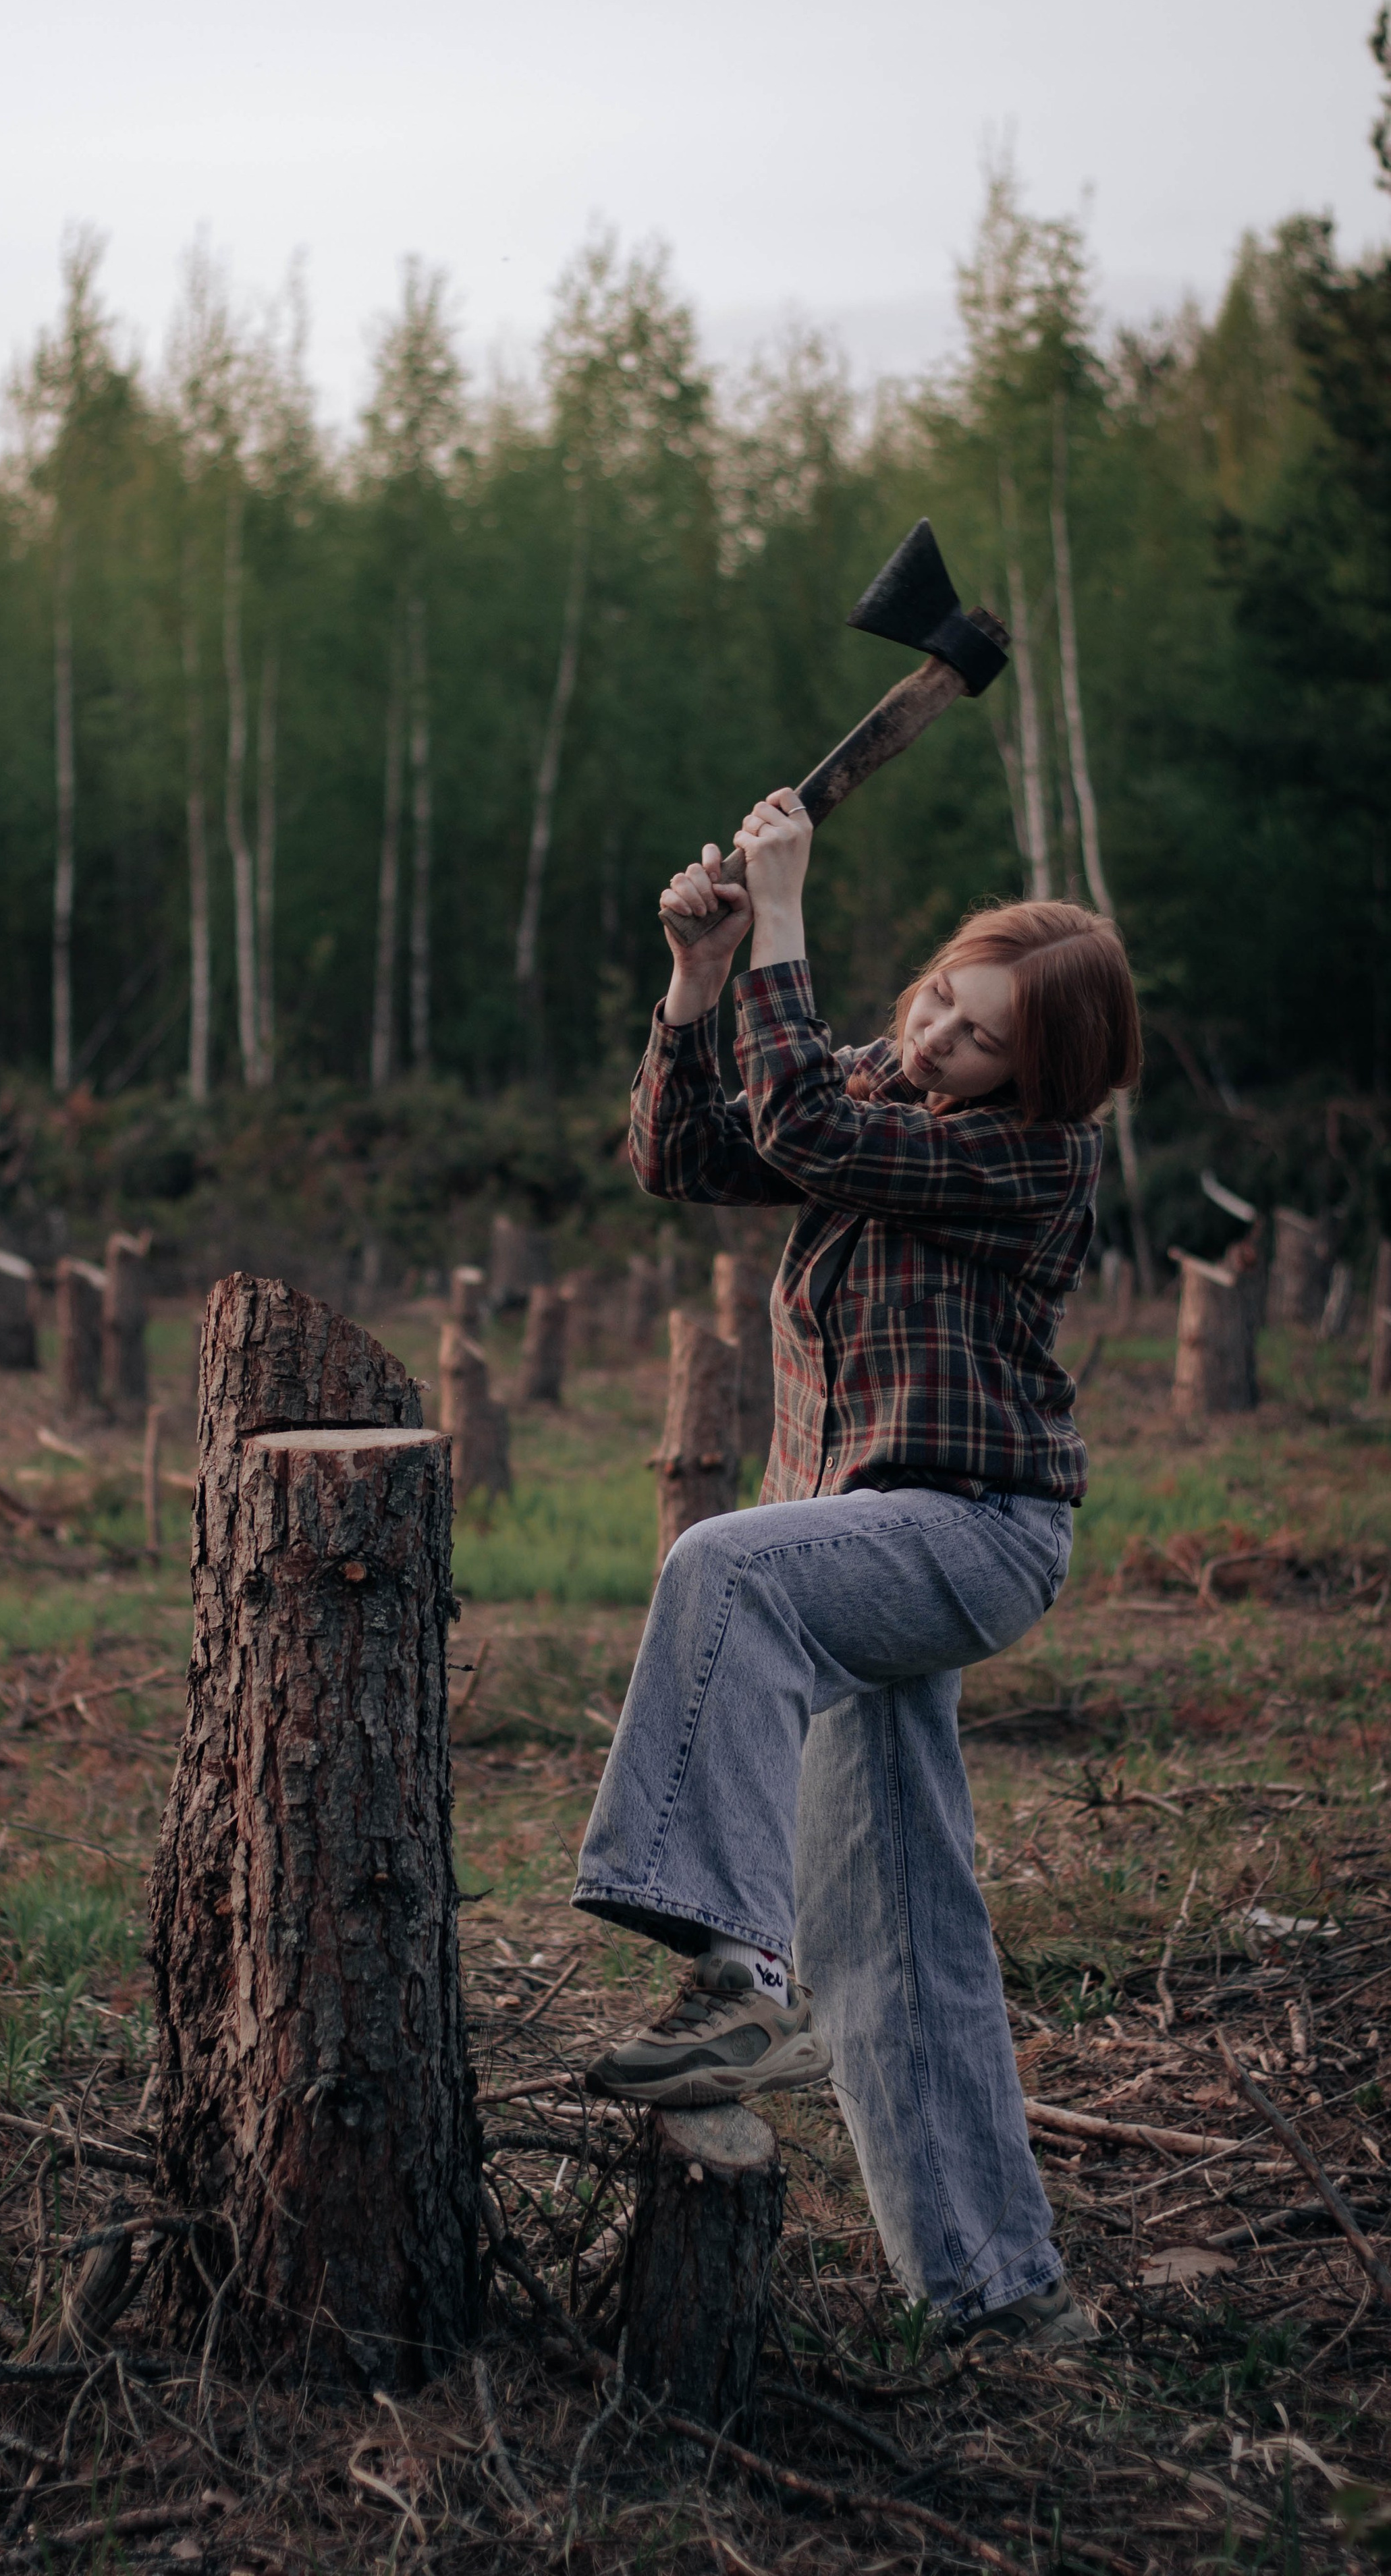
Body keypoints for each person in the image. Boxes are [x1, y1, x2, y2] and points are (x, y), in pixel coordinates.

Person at [572, 784, 1142, 2353]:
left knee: (723, 1572)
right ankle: (996, 2290)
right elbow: (684, 1151)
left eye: (977, 1038)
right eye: (938, 999)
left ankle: (730, 1983)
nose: (935, 1037)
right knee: (889, 1922)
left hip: (966, 1535)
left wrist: (785, 913)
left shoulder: (1035, 1160)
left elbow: (807, 1130)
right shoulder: (873, 1089)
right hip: (845, 1542)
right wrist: (699, 979)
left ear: (1042, 1074)